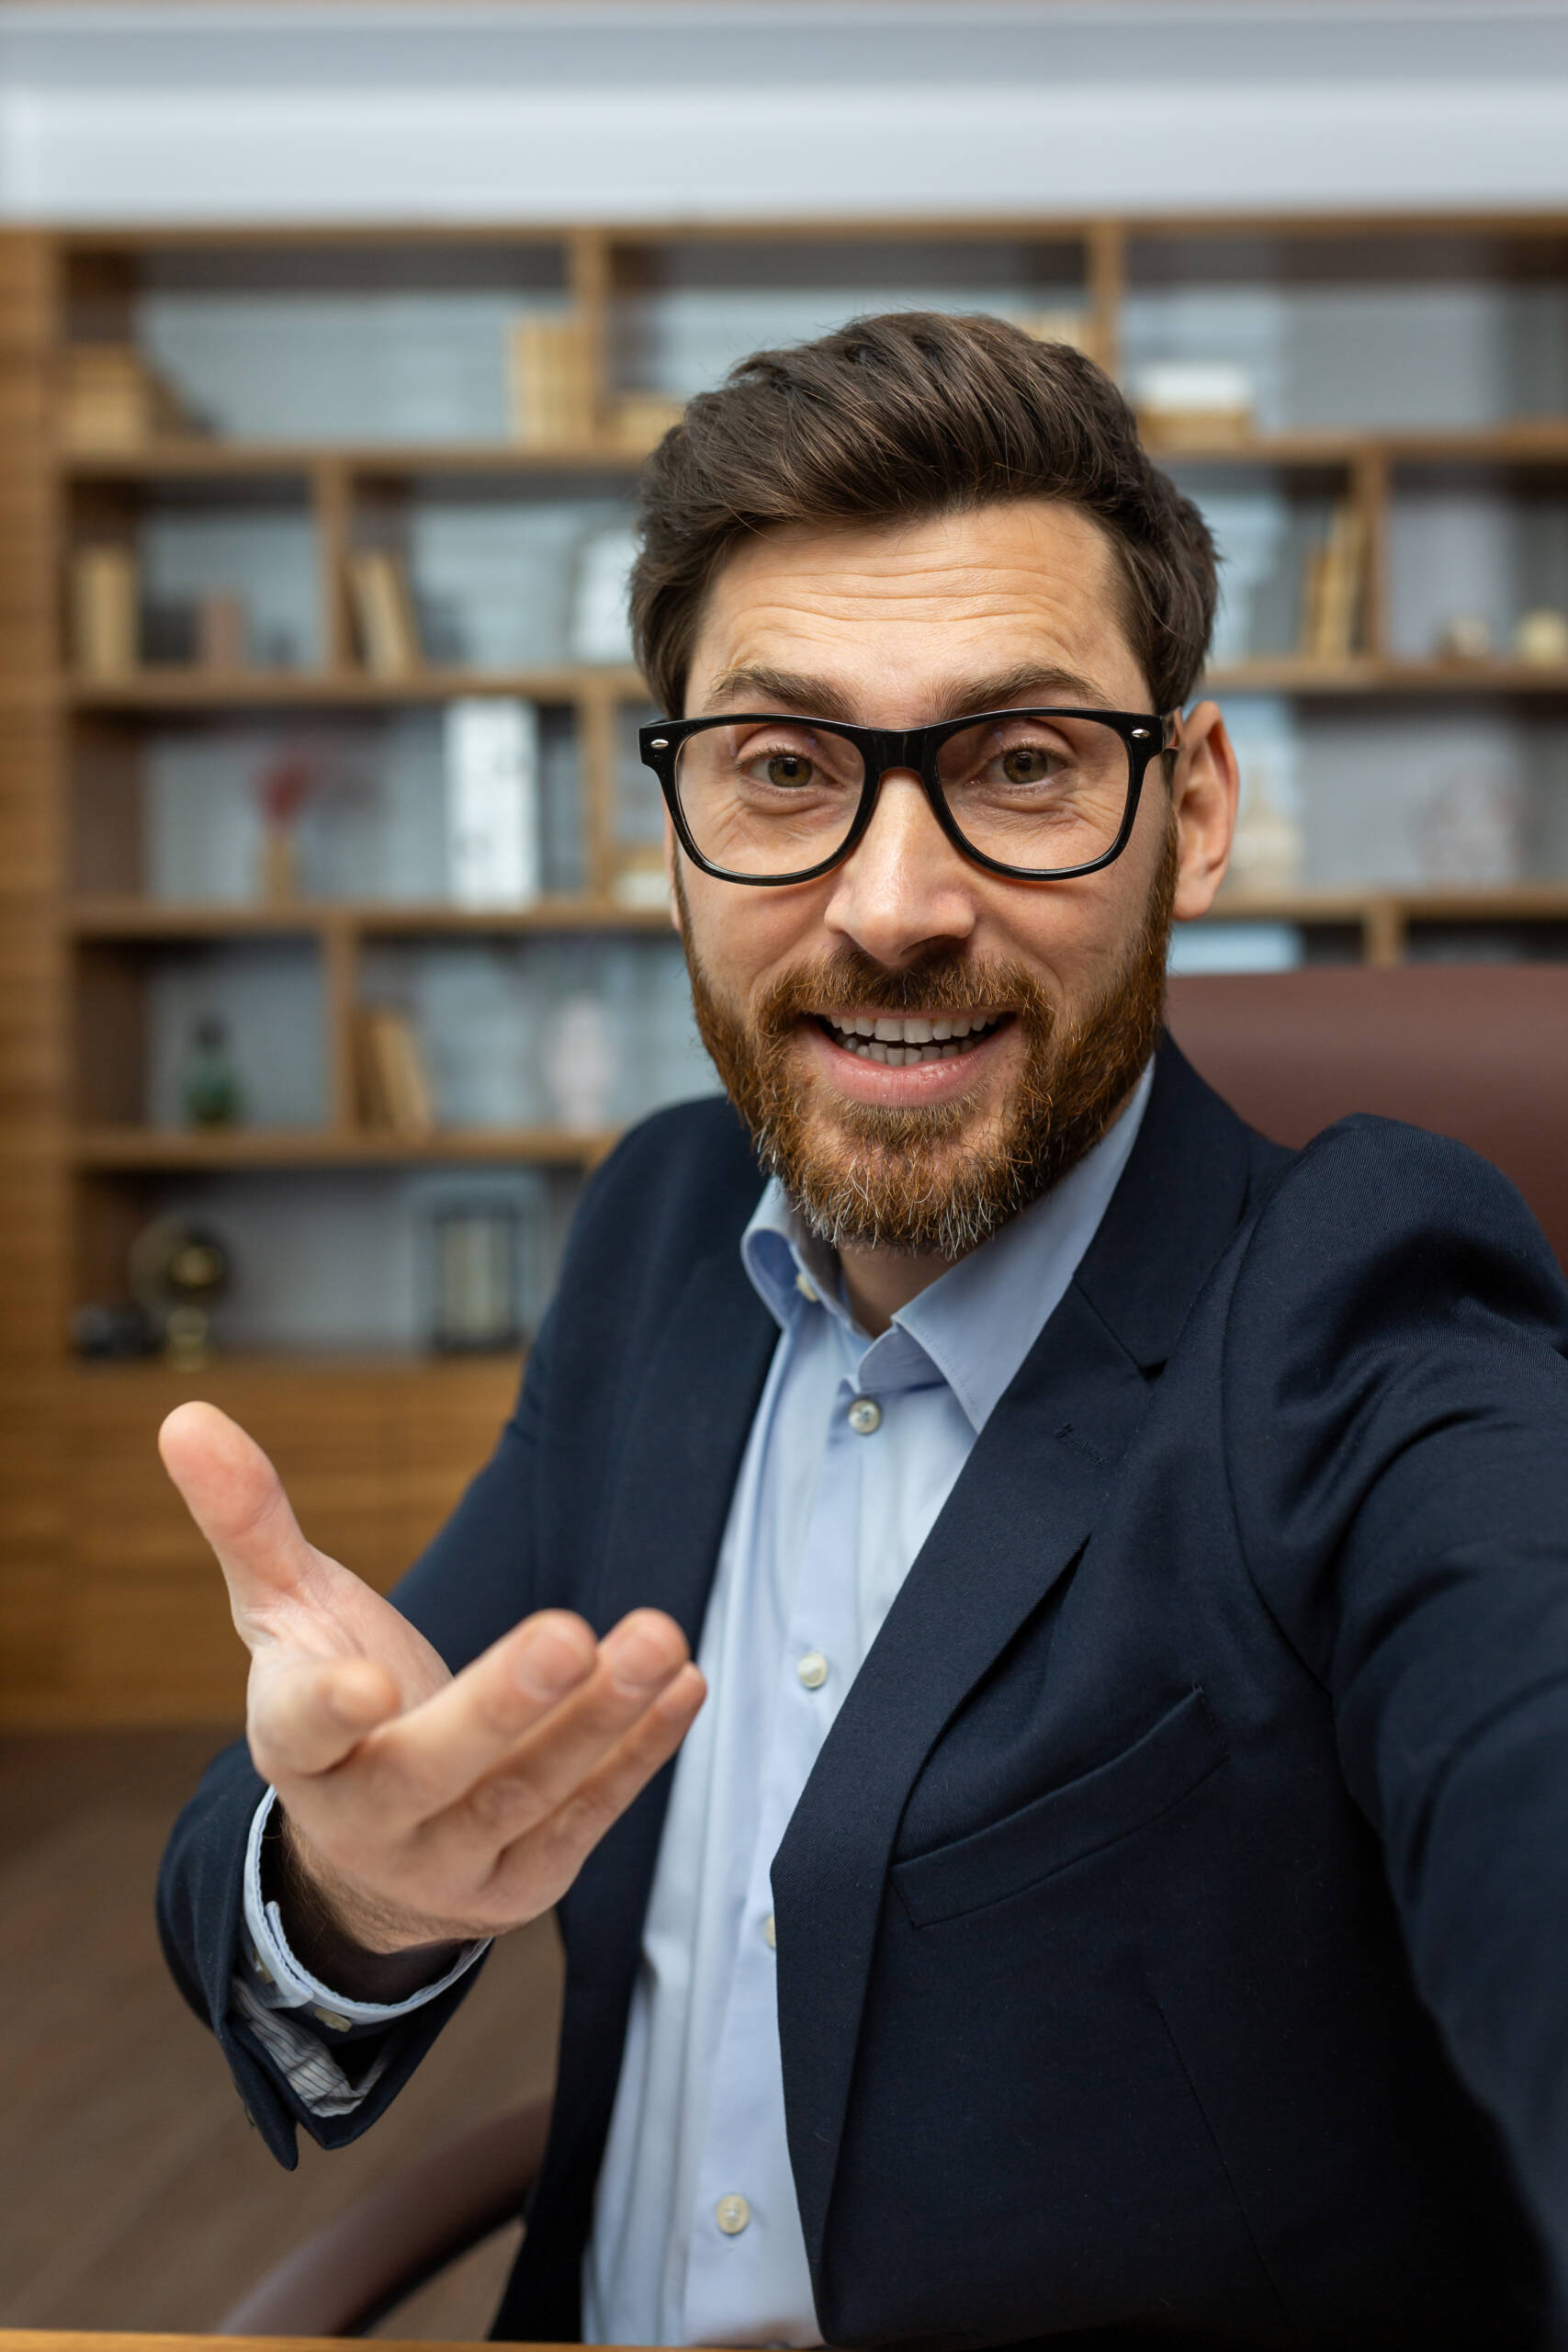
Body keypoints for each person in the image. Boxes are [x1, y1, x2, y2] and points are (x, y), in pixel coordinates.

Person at [158, 312, 1568, 2352]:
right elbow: (336, 1797)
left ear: (1189, 809)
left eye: (1015, 761)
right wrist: (354, 1885)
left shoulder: (1358, 1301)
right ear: (672, 828)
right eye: (785, 768)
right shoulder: (656, 1223)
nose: (891, 899)